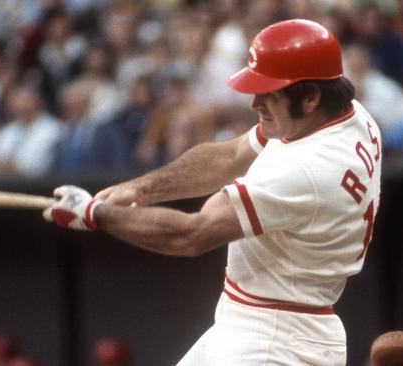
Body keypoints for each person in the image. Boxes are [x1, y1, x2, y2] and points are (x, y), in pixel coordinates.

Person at [44, 19, 382, 366]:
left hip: (275, 341)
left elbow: (191, 235)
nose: (255, 103)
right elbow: (230, 156)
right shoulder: (349, 116)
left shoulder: (305, 168)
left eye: (270, 93)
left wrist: (96, 215)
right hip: (261, 320)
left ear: (311, 96)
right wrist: (139, 189)